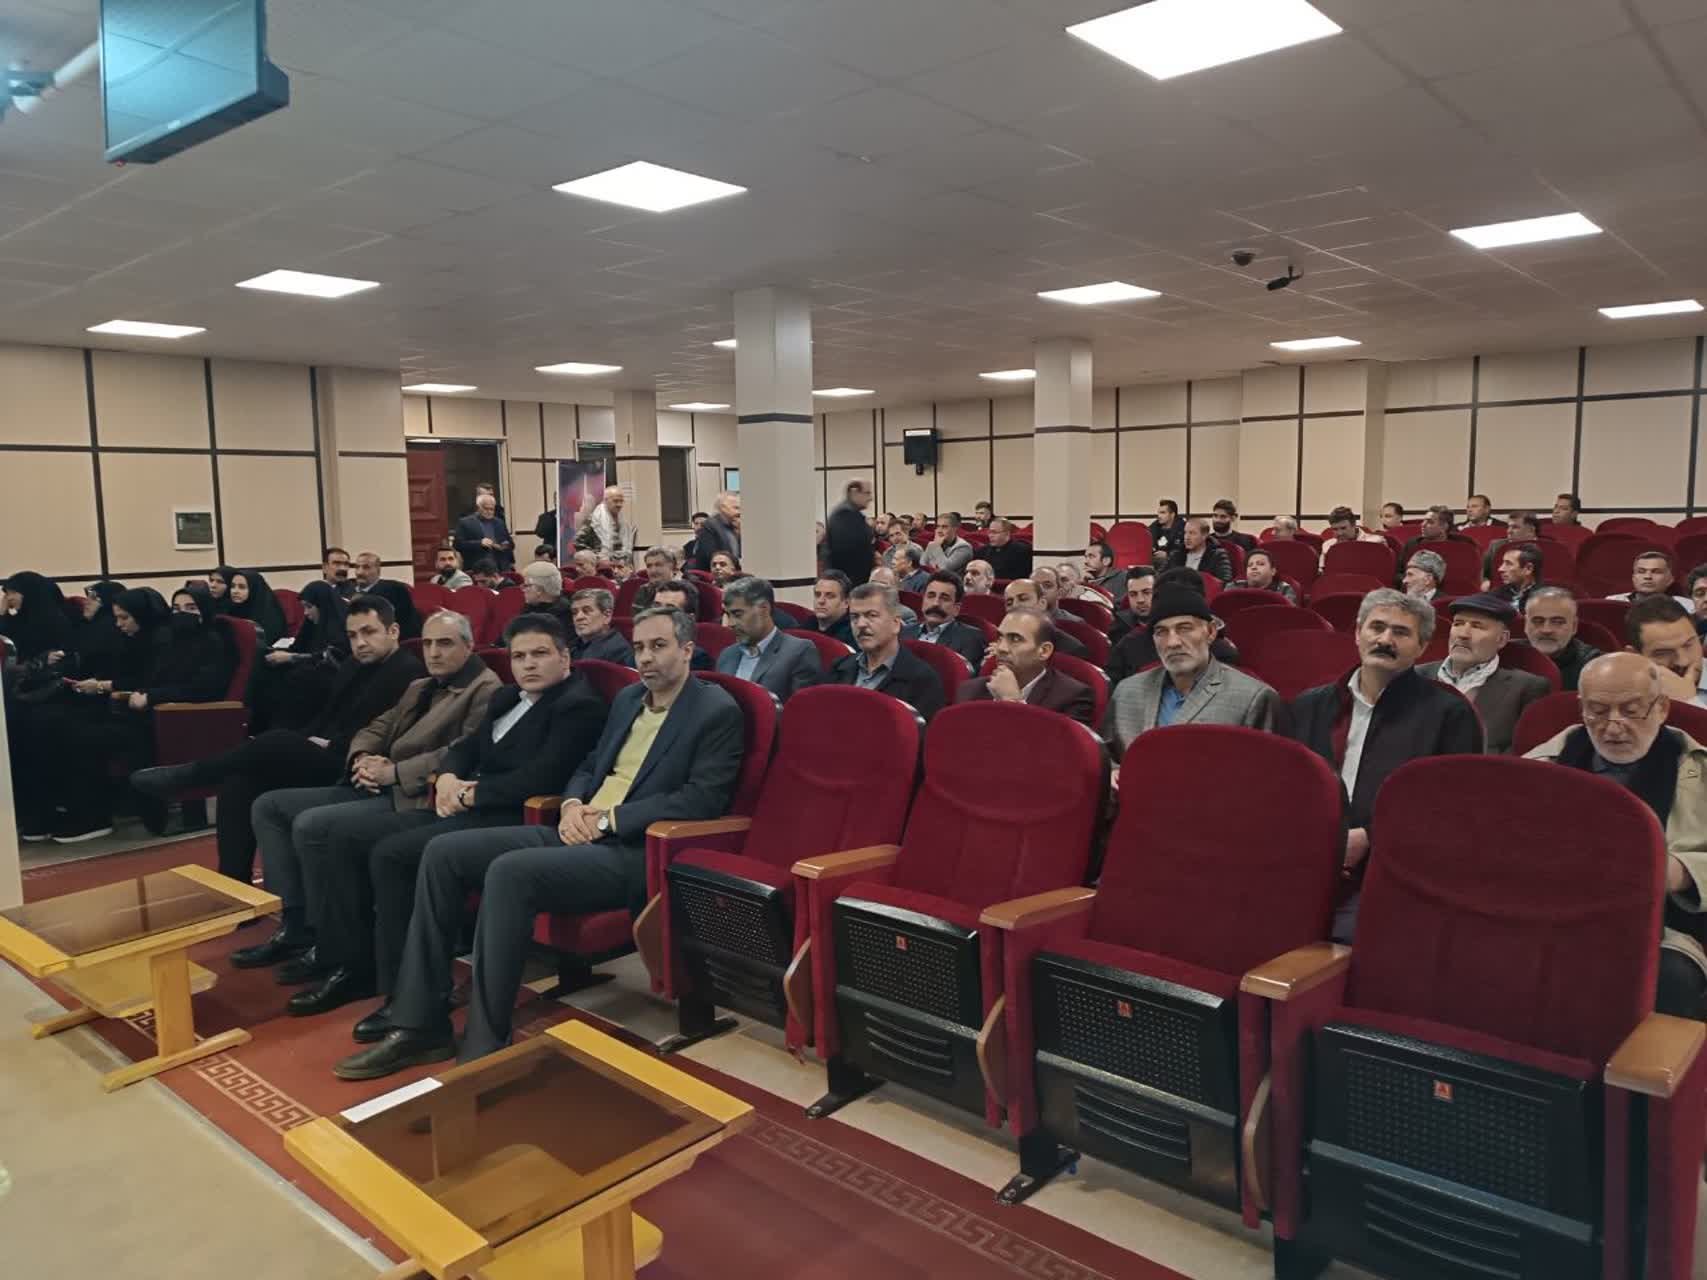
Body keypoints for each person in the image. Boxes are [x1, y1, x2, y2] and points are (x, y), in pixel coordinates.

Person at [334, 608, 744, 1076]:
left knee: (509, 872)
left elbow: (701, 798)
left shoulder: (714, 710)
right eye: (639, 647)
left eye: (659, 646)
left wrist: (608, 820)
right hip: (576, 827)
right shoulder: (630, 698)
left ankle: (485, 1042)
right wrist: (571, 804)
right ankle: (419, 1023)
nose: (646, 657)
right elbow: (591, 764)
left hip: (634, 849)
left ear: (687, 650)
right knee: (443, 853)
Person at [293, 615, 608, 1019]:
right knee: (357, 841)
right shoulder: (507, 697)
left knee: (394, 855)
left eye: (540, 654)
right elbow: (465, 747)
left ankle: (411, 993)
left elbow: (542, 776)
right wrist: (446, 777)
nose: (528, 664)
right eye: (519, 656)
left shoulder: (578, 706)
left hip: (513, 817)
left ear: (565, 658)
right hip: (464, 804)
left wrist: (469, 793)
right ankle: (366, 969)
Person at [236, 610, 501, 981]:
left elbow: (461, 752)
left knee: (315, 825)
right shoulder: (420, 686)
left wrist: (393, 771)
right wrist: (362, 757)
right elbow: (375, 728)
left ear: (469, 646)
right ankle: (296, 924)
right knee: (269, 806)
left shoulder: (485, 689)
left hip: (414, 794)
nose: (433, 652)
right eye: (427, 643)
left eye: (445, 643)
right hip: (376, 782)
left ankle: (337, 945)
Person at [131, 593, 424, 887]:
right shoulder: (352, 665)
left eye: (369, 632)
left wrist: (322, 743)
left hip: (356, 765)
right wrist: (309, 738)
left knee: (277, 740)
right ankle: (234, 885)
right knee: (239, 782)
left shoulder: (408, 673)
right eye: (352, 635)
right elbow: (327, 716)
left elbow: (384, 735)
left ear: (393, 631)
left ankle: (192, 775)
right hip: (325, 750)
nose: (359, 642)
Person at [1291, 589, 1484, 940]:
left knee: (1341, 939)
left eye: (1400, 632)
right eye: (1376, 627)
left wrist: (1370, 837)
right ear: (1357, 633)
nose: (1384, 640)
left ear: (1422, 646)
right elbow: (1286, 789)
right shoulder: (1309, 706)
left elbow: (1452, 809)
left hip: (1393, 870)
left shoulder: (1449, 715)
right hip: (1304, 860)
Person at [1524, 652, 1707, 1020]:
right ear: (1582, 708)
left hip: (1660, 926)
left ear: (1661, 708)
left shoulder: (1697, 770)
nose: (1612, 727)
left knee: (1668, 979)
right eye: (1597, 711)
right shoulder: (1541, 765)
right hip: (1551, 913)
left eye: (1631, 711)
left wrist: (1681, 872)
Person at [15, 587, 233, 842]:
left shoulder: (213, 643)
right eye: (176, 608)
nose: (181, 614)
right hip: (139, 714)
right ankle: (62, 809)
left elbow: (202, 688)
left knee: (78, 735)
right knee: (56, 724)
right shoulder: (173, 641)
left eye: (191, 608)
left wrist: (151, 696)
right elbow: (150, 678)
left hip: (170, 722)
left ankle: (93, 815)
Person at [1104, 584, 1282, 755]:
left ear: (1211, 632)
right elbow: (1107, 758)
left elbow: (1266, 770)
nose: (1172, 642)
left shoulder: (1252, 699)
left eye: (1184, 629)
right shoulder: (1127, 692)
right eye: (1161, 632)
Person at [1418, 593, 1549, 754]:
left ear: (1502, 639)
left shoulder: (1526, 688)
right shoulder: (1417, 675)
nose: (1463, 634)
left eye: (1477, 626)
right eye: (1458, 624)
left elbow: (1521, 754)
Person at [955, 608, 1094, 726]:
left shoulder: (1072, 697)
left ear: (1044, 651)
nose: (1001, 648)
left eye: (1015, 639)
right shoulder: (970, 691)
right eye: (1000, 638)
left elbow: (1057, 748)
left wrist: (1013, 702)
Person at [829, 583, 946, 721]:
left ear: (896, 624)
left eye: (871, 615)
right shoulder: (839, 667)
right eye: (855, 617)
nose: (860, 624)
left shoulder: (922, 681)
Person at [251, 579, 350, 734]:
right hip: (309, 671)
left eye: (309, 607)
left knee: (296, 679)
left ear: (322, 605)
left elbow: (333, 657)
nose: (305, 613)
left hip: (328, 678)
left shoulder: (341, 626)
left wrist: (291, 658)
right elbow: (298, 647)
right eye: (304, 607)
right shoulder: (313, 624)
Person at [717, 576, 818, 703]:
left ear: (764, 609)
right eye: (728, 615)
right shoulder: (726, 655)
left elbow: (799, 710)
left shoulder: (799, 651)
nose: (731, 623)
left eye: (738, 614)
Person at [1627, 596, 1707, 708]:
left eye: (1688, 645)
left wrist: (1689, 701)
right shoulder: (1619, 692)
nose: (1683, 661)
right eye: (1663, 653)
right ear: (1635, 656)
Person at [1524, 586, 1601, 692]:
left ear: (1574, 626)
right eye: (1538, 621)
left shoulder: (1594, 666)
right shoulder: (1508, 656)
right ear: (1526, 625)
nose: (1546, 630)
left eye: (1558, 622)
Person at [904, 572, 987, 669]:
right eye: (931, 596)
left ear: (956, 609)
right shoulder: (904, 631)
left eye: (944, 599)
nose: (935, 603)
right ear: (923, 602)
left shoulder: (971, 639)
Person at [1, 571, 73, 665]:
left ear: (30, 592)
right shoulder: (18, 620)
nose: (9, 598)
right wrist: (2, 613)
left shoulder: (56, 620)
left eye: (14, 592)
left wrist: (41, 660)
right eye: (7, 594)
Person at [1003, 578, 1087, 658]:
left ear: (1042, 603)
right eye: (1009, 603)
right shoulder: (1001, 641)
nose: (1015, 605)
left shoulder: (1071, 649)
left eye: (1023, 599)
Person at [826, 478, 876, 586]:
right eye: (867, 493)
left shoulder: (850, 514)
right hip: (850, 582)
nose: (871, 498)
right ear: (854, 492)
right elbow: (850, 554)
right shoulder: (844, 515)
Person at [1610, 550, 1695, 612]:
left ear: (1670, 579)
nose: (1648, 577)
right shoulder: (1612, 602)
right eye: (1641, 571)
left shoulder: (1687, 606)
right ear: (1633, 578)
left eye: (1656, 572)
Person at [568, 588, 634, 665]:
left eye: (586, 611)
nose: (578, 617)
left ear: (607, 616)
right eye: (574, 612)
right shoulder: (572, 645)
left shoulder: (617, 651)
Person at [225, 568, 288, 645]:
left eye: (242, 587)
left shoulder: (270, 614)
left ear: (254, 589)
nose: (235, 591)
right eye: (232, 586)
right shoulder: (230, 609)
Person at [454, 492, 514, 572]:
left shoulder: (499, 522)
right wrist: (479, 543)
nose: (489, 512)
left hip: (500, 568)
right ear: (478, 507)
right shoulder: (465, 522)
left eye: (492, 509)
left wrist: (505, 545)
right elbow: (457, 544)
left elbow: (511, 544)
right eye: (486, 509)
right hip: (477, 568)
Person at [577, 484, 637, 561]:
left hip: (619, 563)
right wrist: (595, 557)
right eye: (615, 501)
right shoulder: (593, 520)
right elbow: (578, 542)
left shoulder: (623, 521)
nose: (619, 504)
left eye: (621, 501)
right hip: (601, 564)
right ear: (605, 500)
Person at [1396, 505, 1459, 574]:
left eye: (1430, 522)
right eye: (1424, 521)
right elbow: (1399, 573)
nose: (1423, 525)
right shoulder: (1412, 544)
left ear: (1444, 527)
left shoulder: (1458, 547)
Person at [1165, 518, 1232, 582]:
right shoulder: (1176, 553)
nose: (1187, 537)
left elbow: (1225, 581)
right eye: (1185, 533)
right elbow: (1161, 576)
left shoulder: (1217, 555)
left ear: (1204, 535)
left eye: (1192, 533)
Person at [1481, 510, 1540, 581]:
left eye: (1515, 527)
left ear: (1531, 530)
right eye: (1508, 527)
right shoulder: (1496, 546)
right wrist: (1485, 581)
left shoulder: (1547, 548)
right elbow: (1482, 572)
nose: (1509, 531)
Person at [691, 491, 741, 570]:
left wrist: (739, 532)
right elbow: (710, 556)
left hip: (734, 572)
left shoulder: (735, 525)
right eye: (736, 508)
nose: (739, 512)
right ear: (723, 508)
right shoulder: (709, 525)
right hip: (715, 573)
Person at [1108, 567, 1157, 647]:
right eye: (1133, 594)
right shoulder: (1118, 628)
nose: (1140, 600)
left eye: (1147, 592)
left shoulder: (1172, 621)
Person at [519, 560, 574, 629]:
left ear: (539, 589)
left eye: (526, 585)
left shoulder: (562, 617)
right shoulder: (531, 607)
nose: (523, 590)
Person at [1234, 547, 1298, 602]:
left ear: (1273, 571)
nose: (1253, 567)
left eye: (1260, 564)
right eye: (1250, 565)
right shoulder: (1235, 587)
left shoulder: (1285, 590)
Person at [811, 571, 857, 647]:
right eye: (817, 595)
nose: (821, 601)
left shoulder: (855, 633)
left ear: (846, 603)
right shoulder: (806, 626)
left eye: (830, 596)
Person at [1491, 543, 1543, 610]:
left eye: (1508, 564)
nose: (1500, 569)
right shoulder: (1495, 595)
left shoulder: (1545, 600)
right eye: (1503, 563)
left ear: (1528, 568)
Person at [1149, 499, 1184, 565]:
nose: (1159, 516)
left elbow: (1185, 552)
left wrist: (1168, 554)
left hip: (1175, 564)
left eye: (1163, 513)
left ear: (1172, 514)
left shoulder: (1183, 529)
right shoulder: (1153, 528)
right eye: (1158, 513)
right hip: (1154, 563)